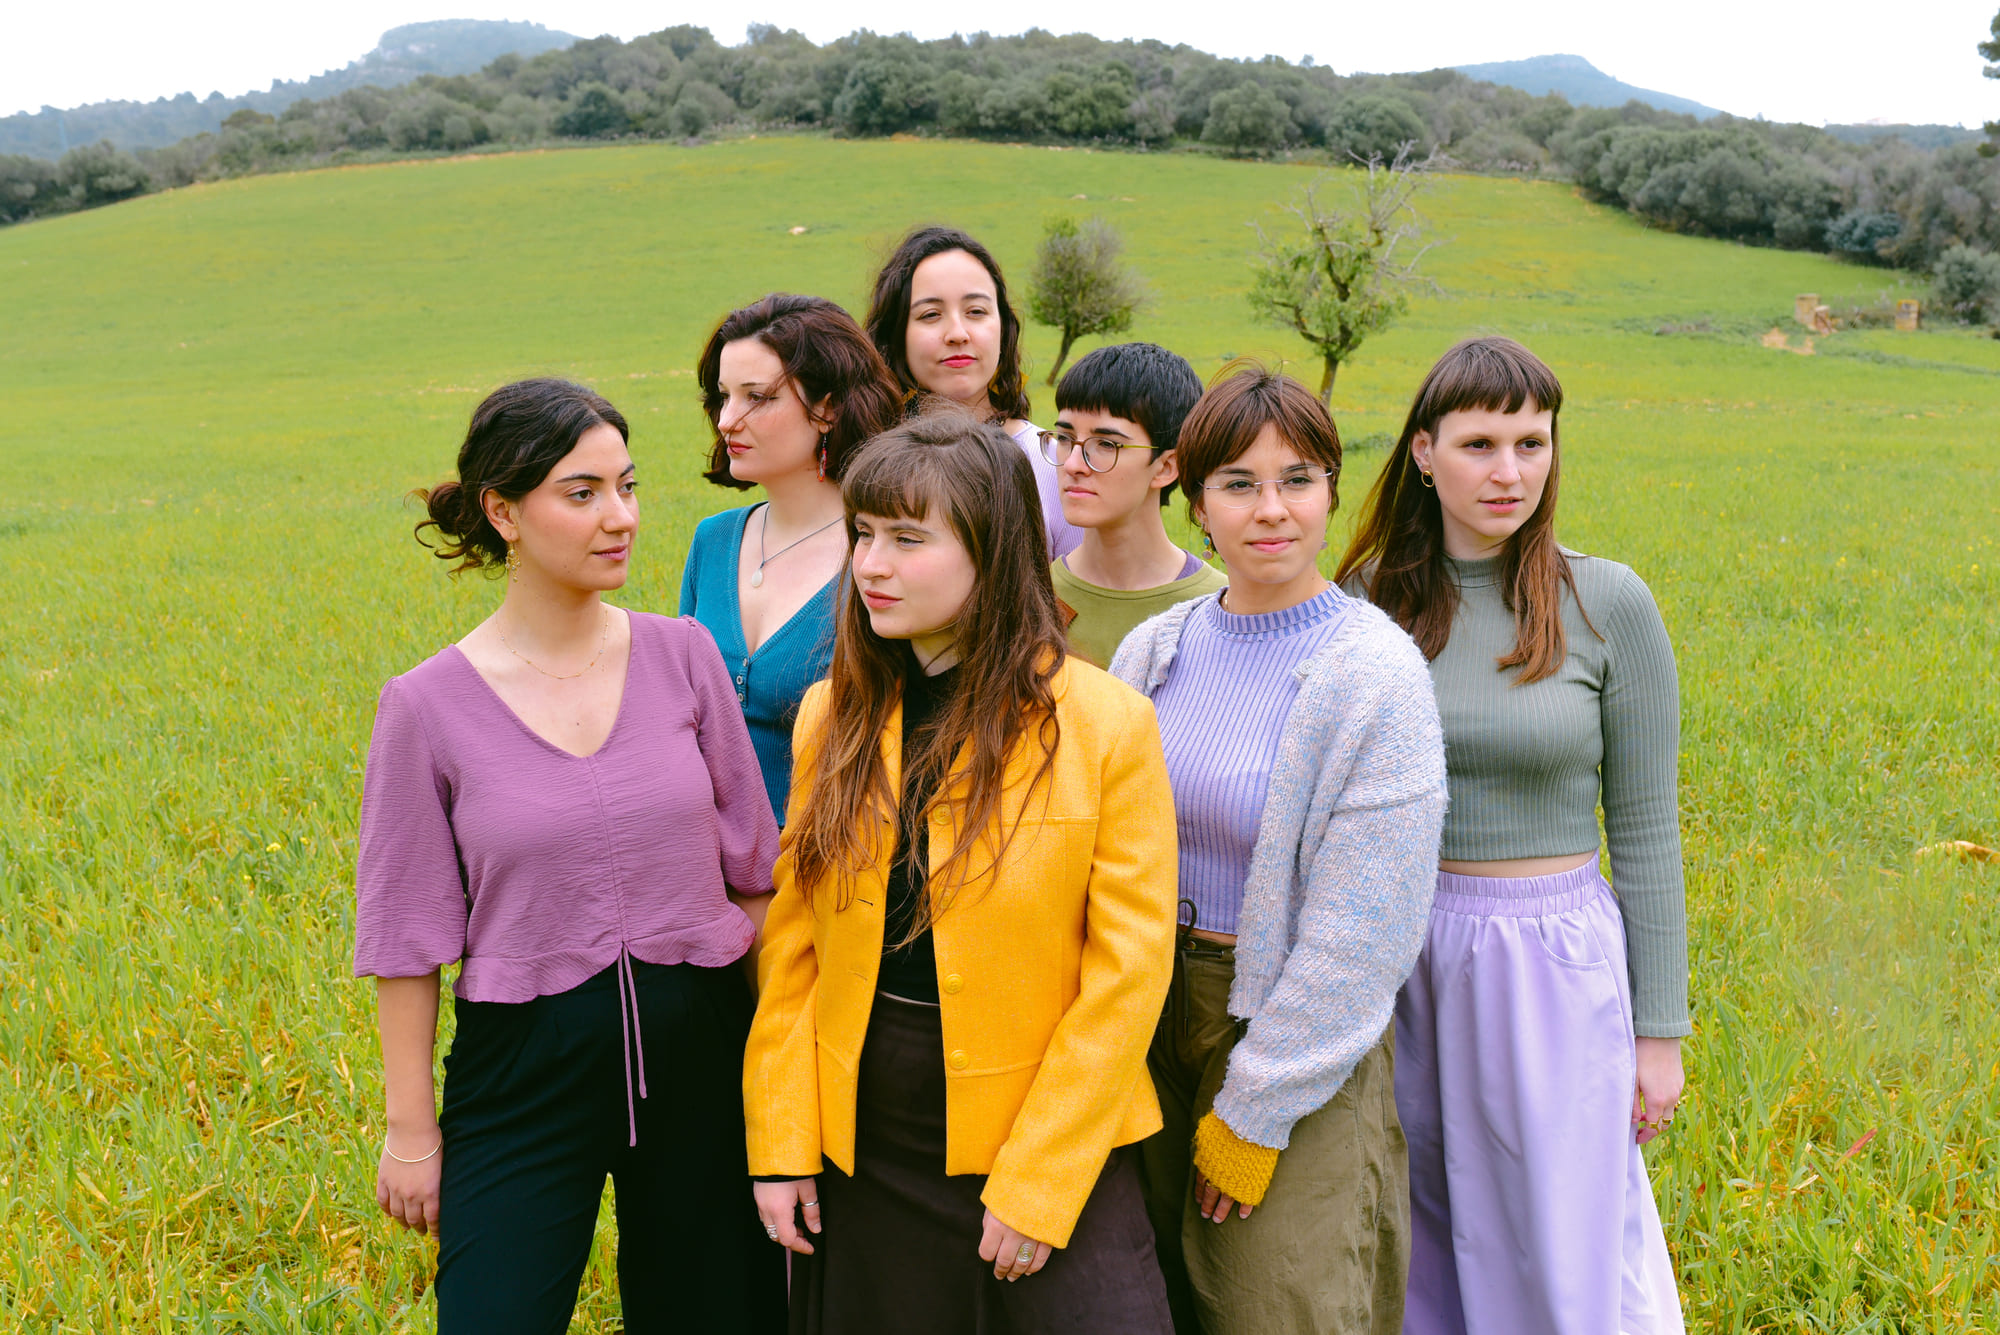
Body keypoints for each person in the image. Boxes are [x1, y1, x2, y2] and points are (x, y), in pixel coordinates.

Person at [355, 379, 784, 1333]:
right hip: (523, 1065)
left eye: (627, 487)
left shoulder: (685, 656)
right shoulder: (425, 706)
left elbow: (756, 881)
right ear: (504, 511)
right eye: (582, 493)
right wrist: (411, 1129)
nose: (620, 517)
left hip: (703, 1047)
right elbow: (405, 938)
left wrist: (781, 1072)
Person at [743, 409, 1178, 1334]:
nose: (871, 564)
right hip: (869, 1134)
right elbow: (794, 952)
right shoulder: (832, 714)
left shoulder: (1107, 725)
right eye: (863, 533)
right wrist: (781, 1141)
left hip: (1053, 1120)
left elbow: (1129, 976)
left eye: (908, 538)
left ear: (994, 549)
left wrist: (1040, 1180)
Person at [1335, 335, 1689, 1335]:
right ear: (1422, 452)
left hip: (1552, 958)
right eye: (1479, 444)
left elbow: (1646, 830)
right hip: (1405, 952)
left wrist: (1658, 1033)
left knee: (1559, 1236)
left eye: (1531, 444)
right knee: (1421, 1226)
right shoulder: (1366, 603)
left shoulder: (1604, 602)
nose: (1508, 473)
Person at [1109, 365, 1446, 1335]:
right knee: (1157, 1298)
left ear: (1331, 491)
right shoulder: (1153, 650)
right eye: (1238, 484)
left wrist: (1256, 1108)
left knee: (1274, 1301)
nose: (1271, 509)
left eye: (1297, 479)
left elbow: (1363, 932)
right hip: (1145, 1014)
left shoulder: (1373, 672)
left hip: (1281, 1019)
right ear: (1195, 502)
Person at [681, 293, 904, 820]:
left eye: (756, 397)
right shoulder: (713, 541)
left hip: (829, 854)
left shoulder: (879, 555)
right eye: (724, 397)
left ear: (828, 408)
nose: (727, 420)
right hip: (703, 855)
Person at [862, 223, 1082, 559]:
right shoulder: (868, 462)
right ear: (896, 336)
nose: (957, 333)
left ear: (1004, 328)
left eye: (976, 312)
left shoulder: (1054, 464)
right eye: (930, 314)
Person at [1044, 342, 1227, 667]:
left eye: (1106, 444)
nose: (1073, 464)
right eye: (1065, 439)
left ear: (1166, 467)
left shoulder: (1222, 607)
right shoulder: (1029, 601)